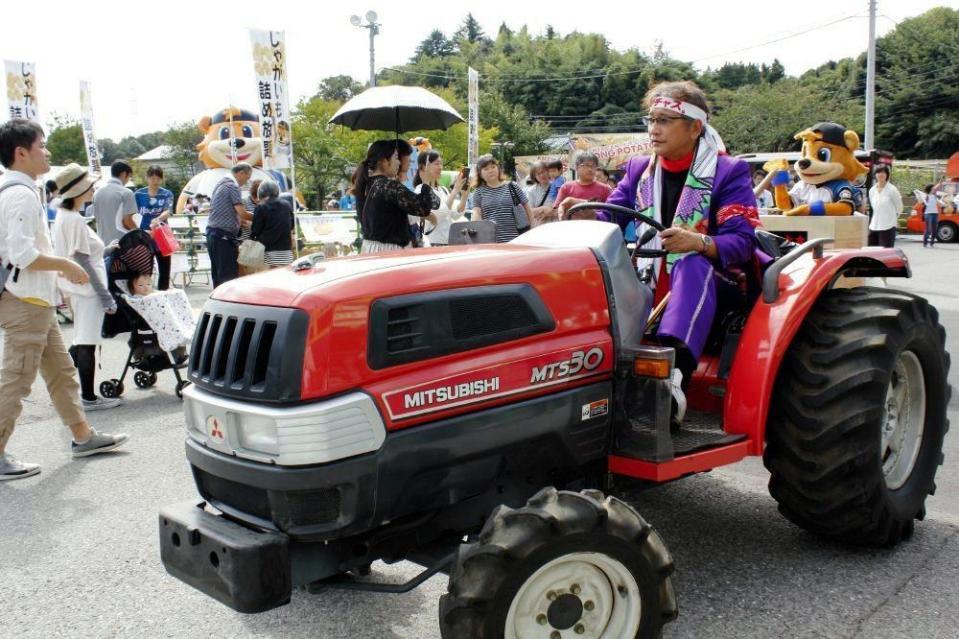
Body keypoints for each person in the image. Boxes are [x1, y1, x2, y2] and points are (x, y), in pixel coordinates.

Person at [604, 81, 758, 425]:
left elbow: (742, 243)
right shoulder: (638, 169)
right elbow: (607, 214)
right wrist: (581, 213)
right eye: (651, 119)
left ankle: (673, 383)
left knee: (689, 263)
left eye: (664, 121)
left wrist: (699, 242)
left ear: (695, 128)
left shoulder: (728, 171)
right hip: (651, 277)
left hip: (719, 285)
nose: (653, 129)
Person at [0, 119, 129, 480]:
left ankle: (83, 436)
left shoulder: (16, 190)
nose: (48, 152)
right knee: (18, 378)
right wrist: (65, 266)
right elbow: (23, 255)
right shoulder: (20, 194)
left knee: (61, 372)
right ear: (21, 152)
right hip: (25, 300)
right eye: (42, 144)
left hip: (32, 300)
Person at [52, 163, 122, 411]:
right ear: (79, 191)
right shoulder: (74, 220)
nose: (93, 191)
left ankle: (70, 387)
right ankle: (89, 397)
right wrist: (106, 297)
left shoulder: (64, 216)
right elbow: (82, 259)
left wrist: (105, 249)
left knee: (82, 339)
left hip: (79, 289)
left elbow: (82, 255)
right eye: (90, 187)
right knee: (87, 342)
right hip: (88, 290)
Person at [353, 140, 436, 253]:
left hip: (371, 248)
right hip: (389, 251)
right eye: (396, 158)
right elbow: (423, 208)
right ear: (384, 161)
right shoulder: (388, 186)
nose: (399, 163)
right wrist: (426, 182)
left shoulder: (370, 183)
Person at [206, 163, 253, 286]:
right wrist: (261, 216)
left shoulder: (220, 184)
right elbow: (242, 213)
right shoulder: (233, 186)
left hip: (213, 234)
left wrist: (237, 221)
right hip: (223, 236)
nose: (247, 181)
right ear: (241, 173)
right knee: (228, 276)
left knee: (217, 274)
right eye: (247, 177)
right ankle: (226, 303)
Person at [472, 155, 533, 243]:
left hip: (516, 239)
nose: (490, 171)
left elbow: (527, 208)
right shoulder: (479, 192)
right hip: (490, 241)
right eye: (486, 169)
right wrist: (476, 226)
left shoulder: (512, 186)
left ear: (498, 168)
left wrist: (532, 228)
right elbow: (477, 213)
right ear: (480, 174)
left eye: (493, 167)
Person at [133, 165, 175, 290]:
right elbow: (133, 214)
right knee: (145, 269)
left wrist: (158, 219)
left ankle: (163, 294)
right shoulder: (138, 194)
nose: (155, 181)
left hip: (161, 234)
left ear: (162, 179)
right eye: (152, 178)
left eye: (158, 178)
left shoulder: (166, 194)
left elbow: (168, 210)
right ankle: (146, 295)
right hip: (143, 235)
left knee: (165, 268)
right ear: (147, 178)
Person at [414, 151, 467, 247]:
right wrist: (455, 191)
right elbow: (438, 215)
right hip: (431, 243)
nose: (440, 167)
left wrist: (464, 196)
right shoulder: (421, 191)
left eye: (441, 163)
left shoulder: (443, 190)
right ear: (423, 167)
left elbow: (455, 214)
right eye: (436, 164)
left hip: (448, 242)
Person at [554, 151, 614, 220]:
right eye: (586, 165)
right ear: (576, 167)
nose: (590, 169)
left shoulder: (605, 189)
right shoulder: (566, 187)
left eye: (593, 166)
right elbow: (557, 210)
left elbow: (611, 212)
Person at [250, 180, 295, 267]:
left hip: (268, 248)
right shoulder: (286, 204)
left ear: (261, 193)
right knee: (284, 275)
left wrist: (252, 238)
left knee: (271, 276)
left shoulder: (261, 206)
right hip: (286, 247)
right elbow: (292, 224)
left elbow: (256, 229)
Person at [93, 160, 137, 247]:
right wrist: (139, 232)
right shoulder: (126, 193)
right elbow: (127, 221)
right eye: (129, 177)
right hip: (121, 243)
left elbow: (96, 218)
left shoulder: (97, 192)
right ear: (124, 174)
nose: (128, 180)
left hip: (102, 243)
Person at [867, 166, 903, 248]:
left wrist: (894, 219)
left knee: (885, 252)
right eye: (878, 172)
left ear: (887, 175)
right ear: (875, 175)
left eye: (883, 172)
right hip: (874, 226)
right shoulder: (872, 190)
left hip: (888, 226)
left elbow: (899, 206)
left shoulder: (892, 189)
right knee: (871, 251)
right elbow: (874, 207)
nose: (881, 175)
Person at [524, 161, 557, 226]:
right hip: (539, 227)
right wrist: (544, 208)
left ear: (548, 171)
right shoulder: (531, 191)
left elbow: (563, 208)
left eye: (543, 172)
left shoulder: (558, 187)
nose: (541, 175)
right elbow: (528, 211)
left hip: (555, 226)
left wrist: (551, 212)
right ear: (534, 176)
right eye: (538, 174)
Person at [922, 183, 941, 248]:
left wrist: (941, 180)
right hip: (928, 214)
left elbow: (939, 204)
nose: (934, 189)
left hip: (935, 214)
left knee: (934, 229)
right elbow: (924, 203)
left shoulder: (935, 196)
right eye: (933, 188)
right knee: (928, 229)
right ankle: (925, 243)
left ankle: (932, 243)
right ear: (930, 189)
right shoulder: (926, 196)